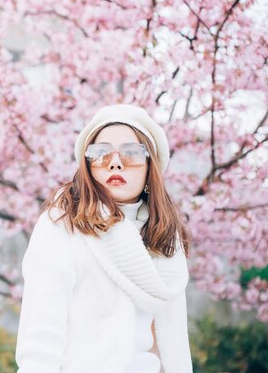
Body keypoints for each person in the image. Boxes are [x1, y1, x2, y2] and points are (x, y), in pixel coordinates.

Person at [14, 104, 193, 373]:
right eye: (100, 153)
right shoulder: (61, 225)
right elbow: (40, 340)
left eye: (132, 153)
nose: (116, 162)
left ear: (149, 168)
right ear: (87, 166)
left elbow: (173, 345)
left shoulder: (163, 237)